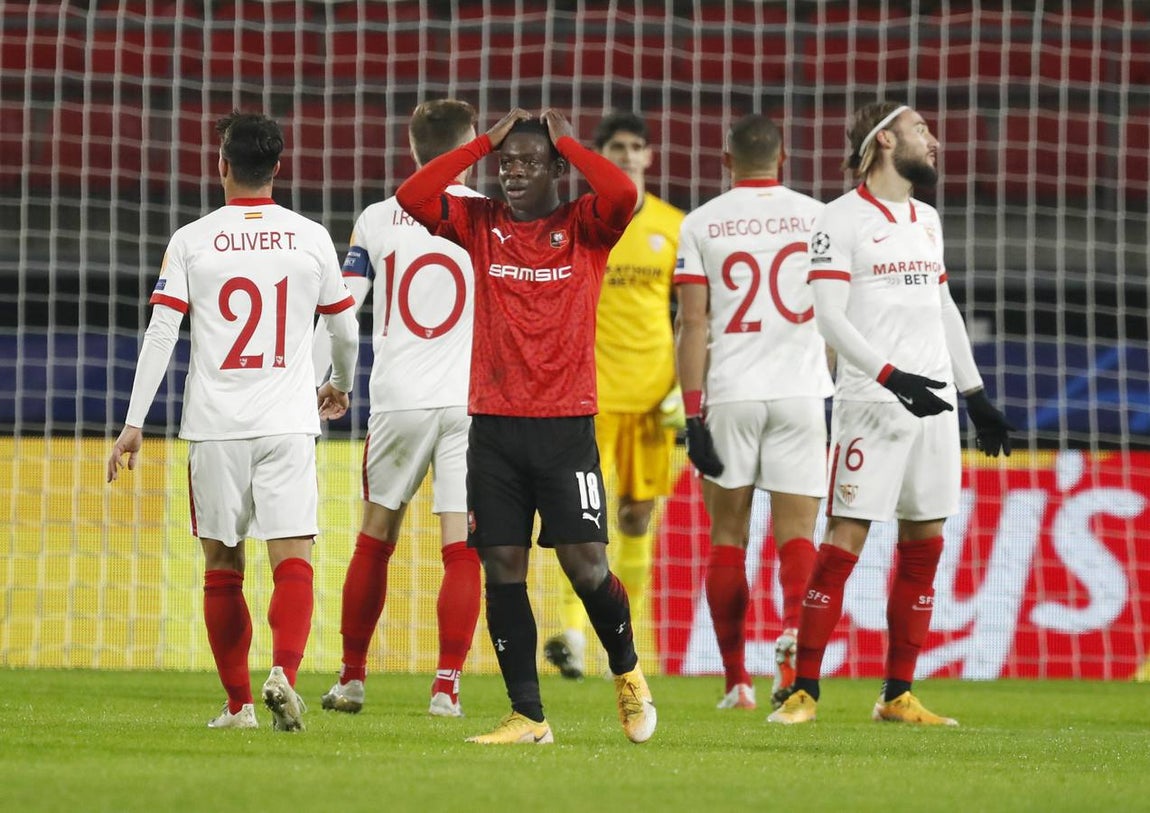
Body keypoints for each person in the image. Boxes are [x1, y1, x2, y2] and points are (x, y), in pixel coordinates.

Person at [396, 108, 657, 745]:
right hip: (493, 428)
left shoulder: (586, 226)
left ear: (557, 168)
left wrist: (565, 137)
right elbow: (413, 194)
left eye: (529, 162)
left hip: (566, 426)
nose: (513, 173)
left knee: (586, 566)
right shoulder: (478, 223)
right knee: (501, 566)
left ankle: (627, 676)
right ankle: (528, 715)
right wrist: (483, 142)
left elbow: (624, 191)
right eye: (506, 163)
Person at [106, 111, 359, 732]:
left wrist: (134, 421)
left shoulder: (192, 239)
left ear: (221, 166)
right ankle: (286, 675)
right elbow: (345, 329)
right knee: (292, 555)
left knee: (223, 564)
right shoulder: (311, 237)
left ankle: (241, 705)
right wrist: (340, 386)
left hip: (215, 426)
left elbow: (162, 330)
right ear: (277, 168)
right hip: (288, 420)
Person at [767, 101, 1013, 726]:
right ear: (883, 141)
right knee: (844, 540)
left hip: (932, 410)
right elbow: (829, 316)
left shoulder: (926, 219)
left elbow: (944, 308)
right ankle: (805, 689)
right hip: (872, 403)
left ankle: (896, 693)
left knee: (925, 543)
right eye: (921, 130)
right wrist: (889, 376)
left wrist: (976, 394)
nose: (933, 141)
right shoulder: (836, 219)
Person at [314, 100, 484, 719]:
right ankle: (446, 687)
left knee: (375, 537)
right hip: (471, 403)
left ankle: (353, 678)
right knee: (462, 547)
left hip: (399, 400)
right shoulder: (492, 218)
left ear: (412, 150)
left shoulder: (379, 219)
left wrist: (330, 382)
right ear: (473, 146)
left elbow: (342, 310)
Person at [674, 113, 832, 712]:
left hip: (732, 392)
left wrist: (693, 416)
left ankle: (736, 681)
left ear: (725, 159)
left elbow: (693, 324)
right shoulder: (819, 216)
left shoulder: (701, 222)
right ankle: (793, 651)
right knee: (798, 536)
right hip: (799, 391)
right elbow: (835, 312)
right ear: (783, 158)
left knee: (727, 536)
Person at [543, 111, 685, 681]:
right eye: (616, 148)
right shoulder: (578, 223)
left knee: (634, 518)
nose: (627, 156)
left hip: (651, 399)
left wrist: (681, 386)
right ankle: (573, 636)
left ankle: (617, 644)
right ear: (600, 158)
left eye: (635, 147)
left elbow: (694, 314)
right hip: (588, 397)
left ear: (649, 156)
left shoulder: (675, 226)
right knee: (583, 522)